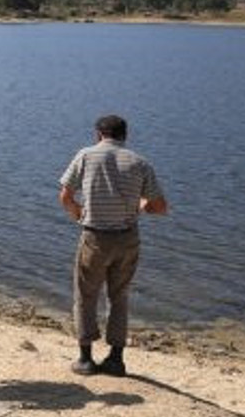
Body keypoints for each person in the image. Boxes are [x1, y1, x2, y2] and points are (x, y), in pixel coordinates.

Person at [58, 114, 168, 377]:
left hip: (95, 237)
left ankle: (86, 359)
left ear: (98, 134)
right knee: (119, 297)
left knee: (86, 296)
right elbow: (161, 207)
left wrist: (78, 214)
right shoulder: (140, 162)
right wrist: (141, 204)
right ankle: (116, 360)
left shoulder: (86, 155)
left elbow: (65, 195)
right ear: (125, 136)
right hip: (127, 239)